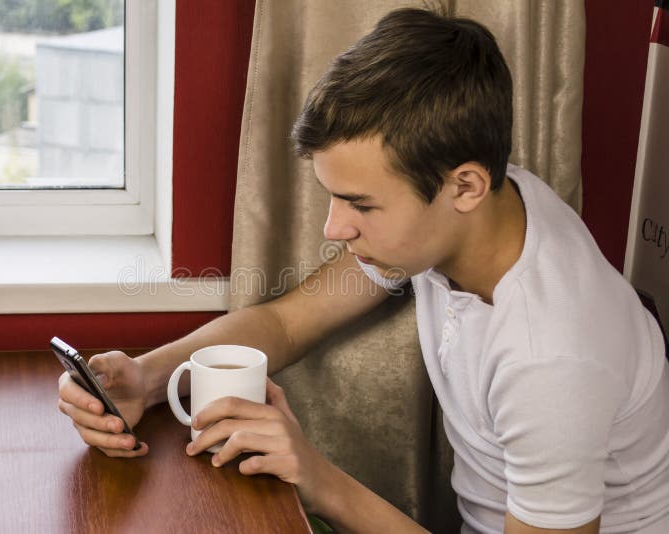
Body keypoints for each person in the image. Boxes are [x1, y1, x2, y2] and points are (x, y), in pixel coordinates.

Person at [57, 8, 669, 533]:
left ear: (465, 186)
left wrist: (314, 476)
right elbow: (287, 324)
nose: (333, 229)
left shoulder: (554, 360)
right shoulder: (480, 213)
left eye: (361, 204)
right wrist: (148, 375)